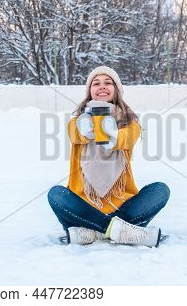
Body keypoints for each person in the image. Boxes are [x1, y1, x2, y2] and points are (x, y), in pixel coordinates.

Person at [47, 66, 170, 247]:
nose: (102, 86)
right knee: (56, 194)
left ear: (117, 90)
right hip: (83, 209)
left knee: (160, 190)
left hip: (122, 209)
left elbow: (124, 140)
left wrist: (111, 133)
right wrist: (89, 124)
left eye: (108, 83)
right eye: (96, 83)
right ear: (90, 92)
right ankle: (121, 232)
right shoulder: (77, 122)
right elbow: (76, 134)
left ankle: (93, 233)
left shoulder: (131, 124)